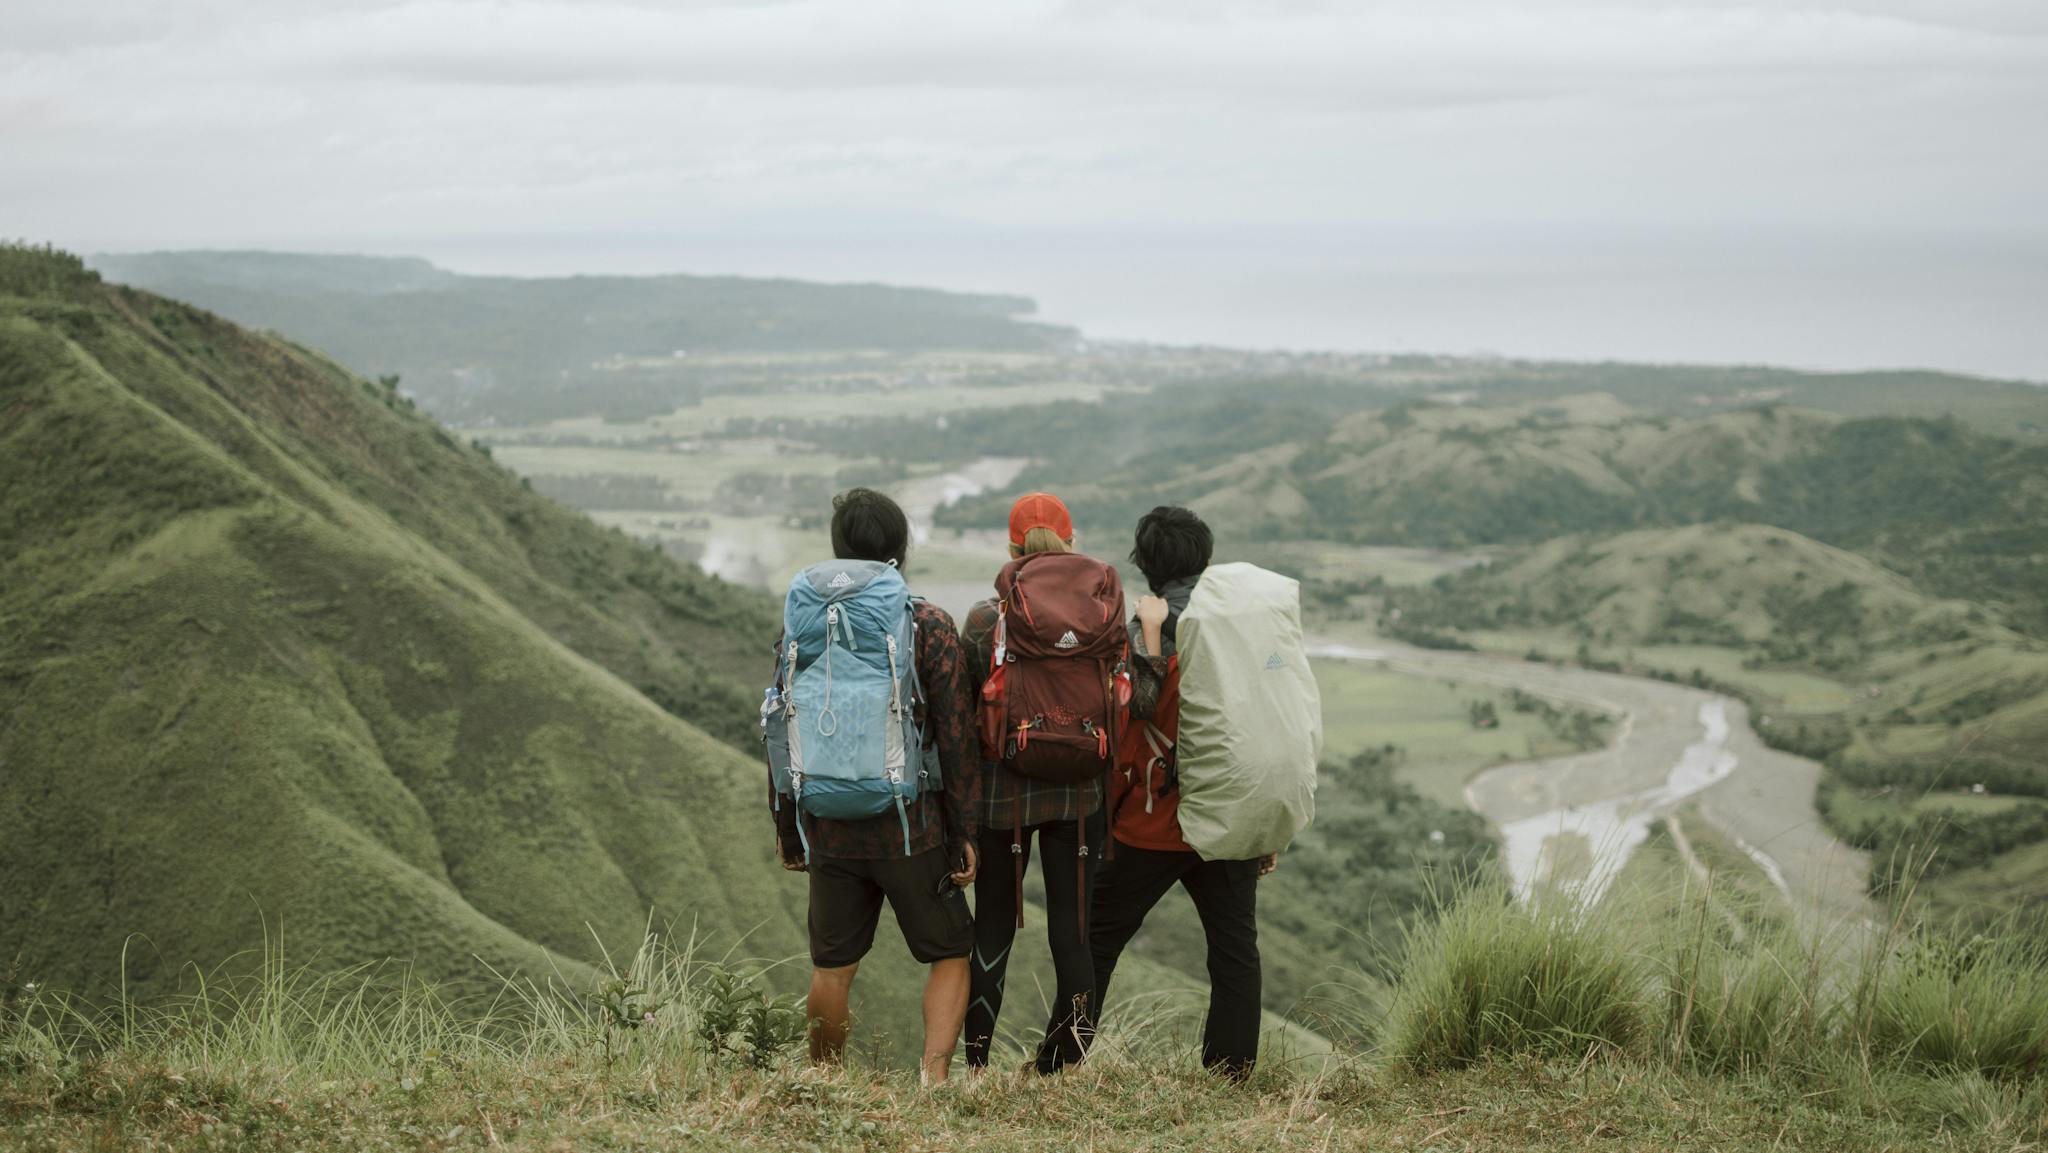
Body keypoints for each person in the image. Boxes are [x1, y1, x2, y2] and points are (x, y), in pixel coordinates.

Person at [769, 487, 982, 1083]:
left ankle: (825, 1080)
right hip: (911, 828)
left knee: (833, 966)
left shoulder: (801, 632)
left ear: (839, 550)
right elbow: (959, 736)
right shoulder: (927, 625)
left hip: (829, 826)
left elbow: (780, 733)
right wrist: (967, 829)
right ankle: (934, 1081)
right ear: (898, 551)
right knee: (948, 952)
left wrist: (789, 829)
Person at [1087, 505, 1276, 1081]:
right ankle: (1229, 1076)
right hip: (1229, 813)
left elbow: (1137, 710)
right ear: (1206, 557)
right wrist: (1262, 821)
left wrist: (1147, 631)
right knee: (1234, 951)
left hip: (1155, 819)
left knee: (1095, 940)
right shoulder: (1243, 622)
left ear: (1146, 564)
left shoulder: (1157, 623)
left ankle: (1059, 1061)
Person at [958, 492, 1106, 1074]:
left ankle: (974, 1067)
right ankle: (1064, 1067)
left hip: (1002, 801)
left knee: (992, 930)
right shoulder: (1101, 616)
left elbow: (966, 710)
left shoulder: (984, 618)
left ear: (1012, 547)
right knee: (1072, 937)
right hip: (1079, 796)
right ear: (1071, 542)